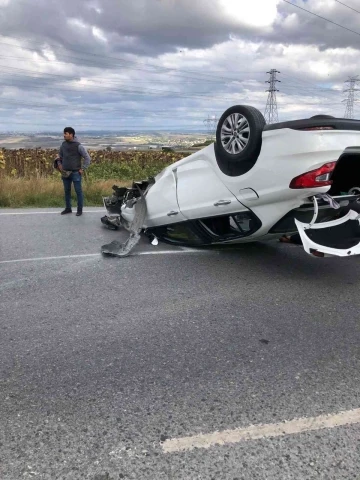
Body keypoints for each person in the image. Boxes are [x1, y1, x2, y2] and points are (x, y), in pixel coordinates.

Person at [57, 127, 91, 216]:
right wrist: (59, 164)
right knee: (67, 191)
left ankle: (79, 210)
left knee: (78, 191)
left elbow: (87, 158)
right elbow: (59, 156)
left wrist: (82, 168)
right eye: (64, 133)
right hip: (65, 172)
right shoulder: (63, 145)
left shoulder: (78, 146)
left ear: (71, 135)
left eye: (66, 133)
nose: (64, 135)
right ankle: (68, 208)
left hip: (76, 172)